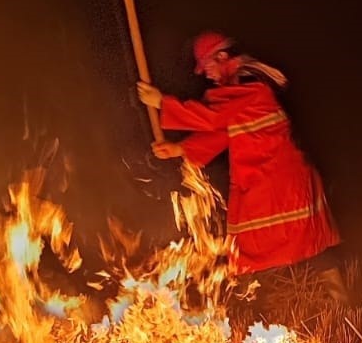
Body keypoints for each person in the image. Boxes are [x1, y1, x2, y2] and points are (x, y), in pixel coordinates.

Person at [136, 32, 345, 296]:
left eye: (207, 66)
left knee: (304, 243)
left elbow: (212, 117)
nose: (206, 74)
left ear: (221, 57)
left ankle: (340, 299)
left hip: (281, 178)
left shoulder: (249, 82)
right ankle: (257, 307)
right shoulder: (236, 87)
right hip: (263, 178)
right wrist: (179, 148)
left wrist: (162, 103)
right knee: (255, 247)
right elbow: (225, 129)